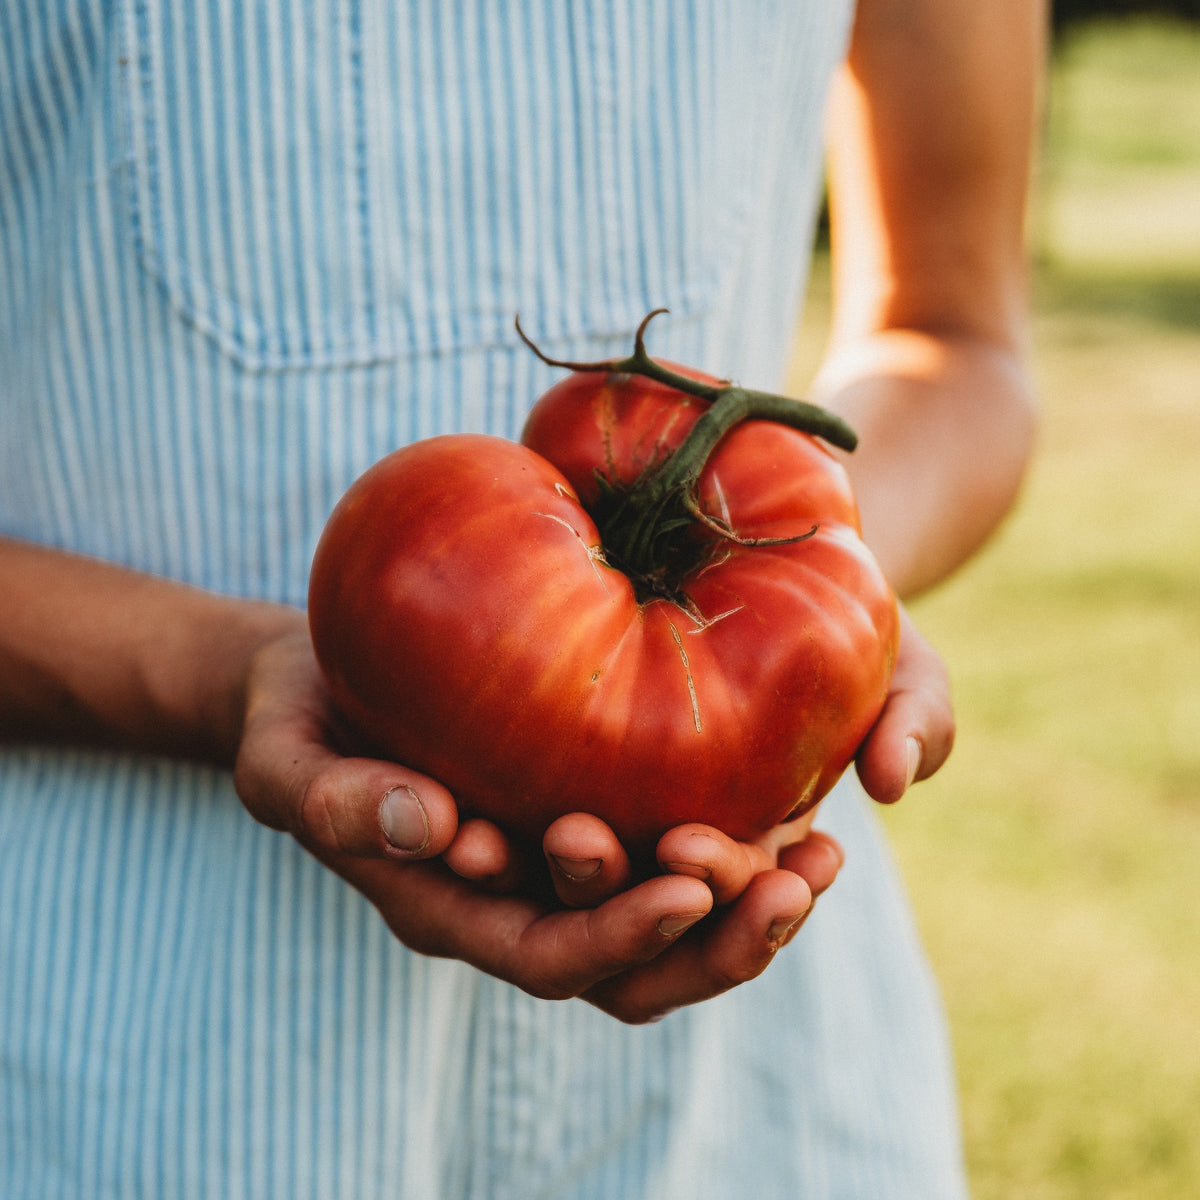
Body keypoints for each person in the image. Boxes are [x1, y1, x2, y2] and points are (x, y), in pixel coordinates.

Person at [0, 0, 1040, 1195]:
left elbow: (956, 337)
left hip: (747, 1094)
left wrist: (832, 581)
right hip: (112, 1035)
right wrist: (219, 671)